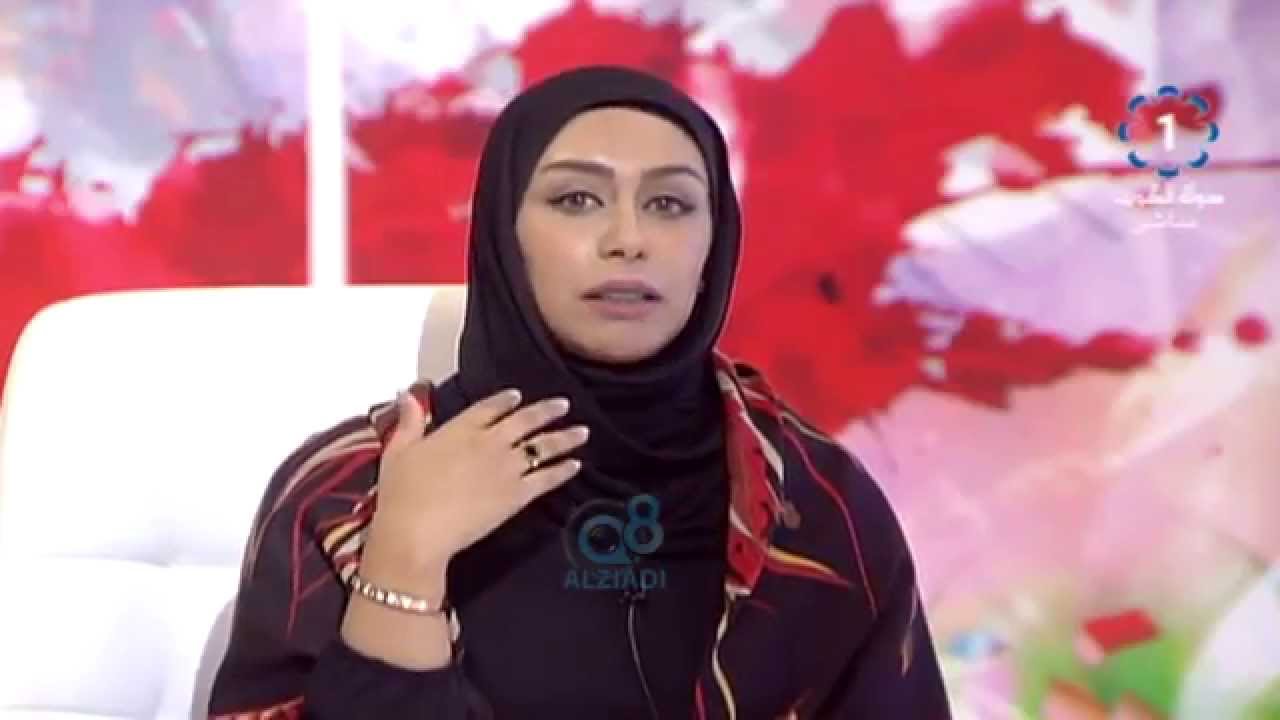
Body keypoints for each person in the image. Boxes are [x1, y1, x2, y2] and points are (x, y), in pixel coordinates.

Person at [208, 65, 952, 719]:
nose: (628, 239)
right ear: (505, 231)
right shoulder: (350, 491)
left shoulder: (814, 501)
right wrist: (403, 560)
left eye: (669, 205)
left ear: (715, 242)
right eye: (576, 199)